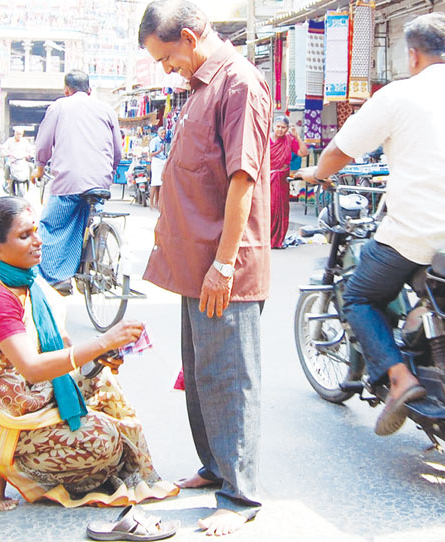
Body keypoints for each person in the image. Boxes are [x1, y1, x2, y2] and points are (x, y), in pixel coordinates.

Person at [296, 13, 445, 436]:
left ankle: (400, 378)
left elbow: (342, 148)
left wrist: (317, 172)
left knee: (358, 296)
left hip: (420, 235)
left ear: (412, 55)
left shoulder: (399, 95)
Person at [0, 196, 178, 513]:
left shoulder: (31, 282)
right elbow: (30, 368)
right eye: (24, 236)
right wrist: (102, 341)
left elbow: (65, 354)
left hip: (32, 394)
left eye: (36, 230)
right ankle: (0, 461)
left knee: (103, 384)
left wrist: (100, 357)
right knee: (105, 444)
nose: (38, 241)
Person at [138, 0, 271, 535]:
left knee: (230, 378)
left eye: (169, 58)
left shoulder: (240, 83)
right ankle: (217, 469)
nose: (167, 69)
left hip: (223, 269)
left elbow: (243, 179)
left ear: (191, 39)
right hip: (196, 262)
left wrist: (222, 265)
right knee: (201, 376)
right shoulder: (199, 88)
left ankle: (240, 497)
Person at [32, 70, 123, 295]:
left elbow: (44, 143)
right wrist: (108, 174)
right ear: (89, 90)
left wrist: (40, 166)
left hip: (69, 181)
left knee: (50, 225)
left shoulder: (59, 106)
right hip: (100, 182)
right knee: (89, 221)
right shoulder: (106, 109)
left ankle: (57, 277)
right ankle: (92, 264)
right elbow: (117, 150)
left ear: (66, 90)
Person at [269, 115, 308, 248]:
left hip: (282, 179)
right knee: (269, 209)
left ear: (287, 129)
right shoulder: (265, 139)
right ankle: (266, 239)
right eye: (278, 126)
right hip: (267, 178)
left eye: (283, 127)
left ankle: (277, 240)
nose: (280, 130)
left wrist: (297, 136)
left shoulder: (289, 140)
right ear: (273, 126)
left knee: (282, 209)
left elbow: (303, 153)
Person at [1, 127, 34, 192]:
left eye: (20, 134)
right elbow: (3, 148)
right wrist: (6, 153)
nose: (18, 136)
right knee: (7, 166)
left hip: (22, 161)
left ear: (22, 134)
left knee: (31, 166)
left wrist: (30, 154)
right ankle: (7, 181)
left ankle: (29, 179)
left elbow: (30, 150)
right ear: (14, 133)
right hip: (12, 161)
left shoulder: (25, 141)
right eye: (17, 134)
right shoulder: (10, 140)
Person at [149, 126, 165, 209]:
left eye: (164, 133)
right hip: (156, 162)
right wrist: (160, 151)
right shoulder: (154, 141)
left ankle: (157, 203)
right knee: (154, 183)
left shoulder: (164, 141)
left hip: (162, 162)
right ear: (158, 133)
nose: (163, 135)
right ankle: (151, 203)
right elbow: (151, 154)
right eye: (162, 133)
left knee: (160, 184)